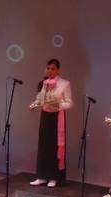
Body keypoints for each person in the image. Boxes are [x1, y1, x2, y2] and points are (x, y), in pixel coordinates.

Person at [29, 59, 73, 188]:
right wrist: (34, 104)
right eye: (48, 68)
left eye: (53, 68)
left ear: (58, 70)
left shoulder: (64, 84)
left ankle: (54, 177)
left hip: (57, 116)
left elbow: (69, 102)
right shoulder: (44, 83)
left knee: (54, 146)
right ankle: (42, 176)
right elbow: (40, 99)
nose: (50, 71)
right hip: (45, 116)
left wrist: (58, 104)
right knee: (43, 145)